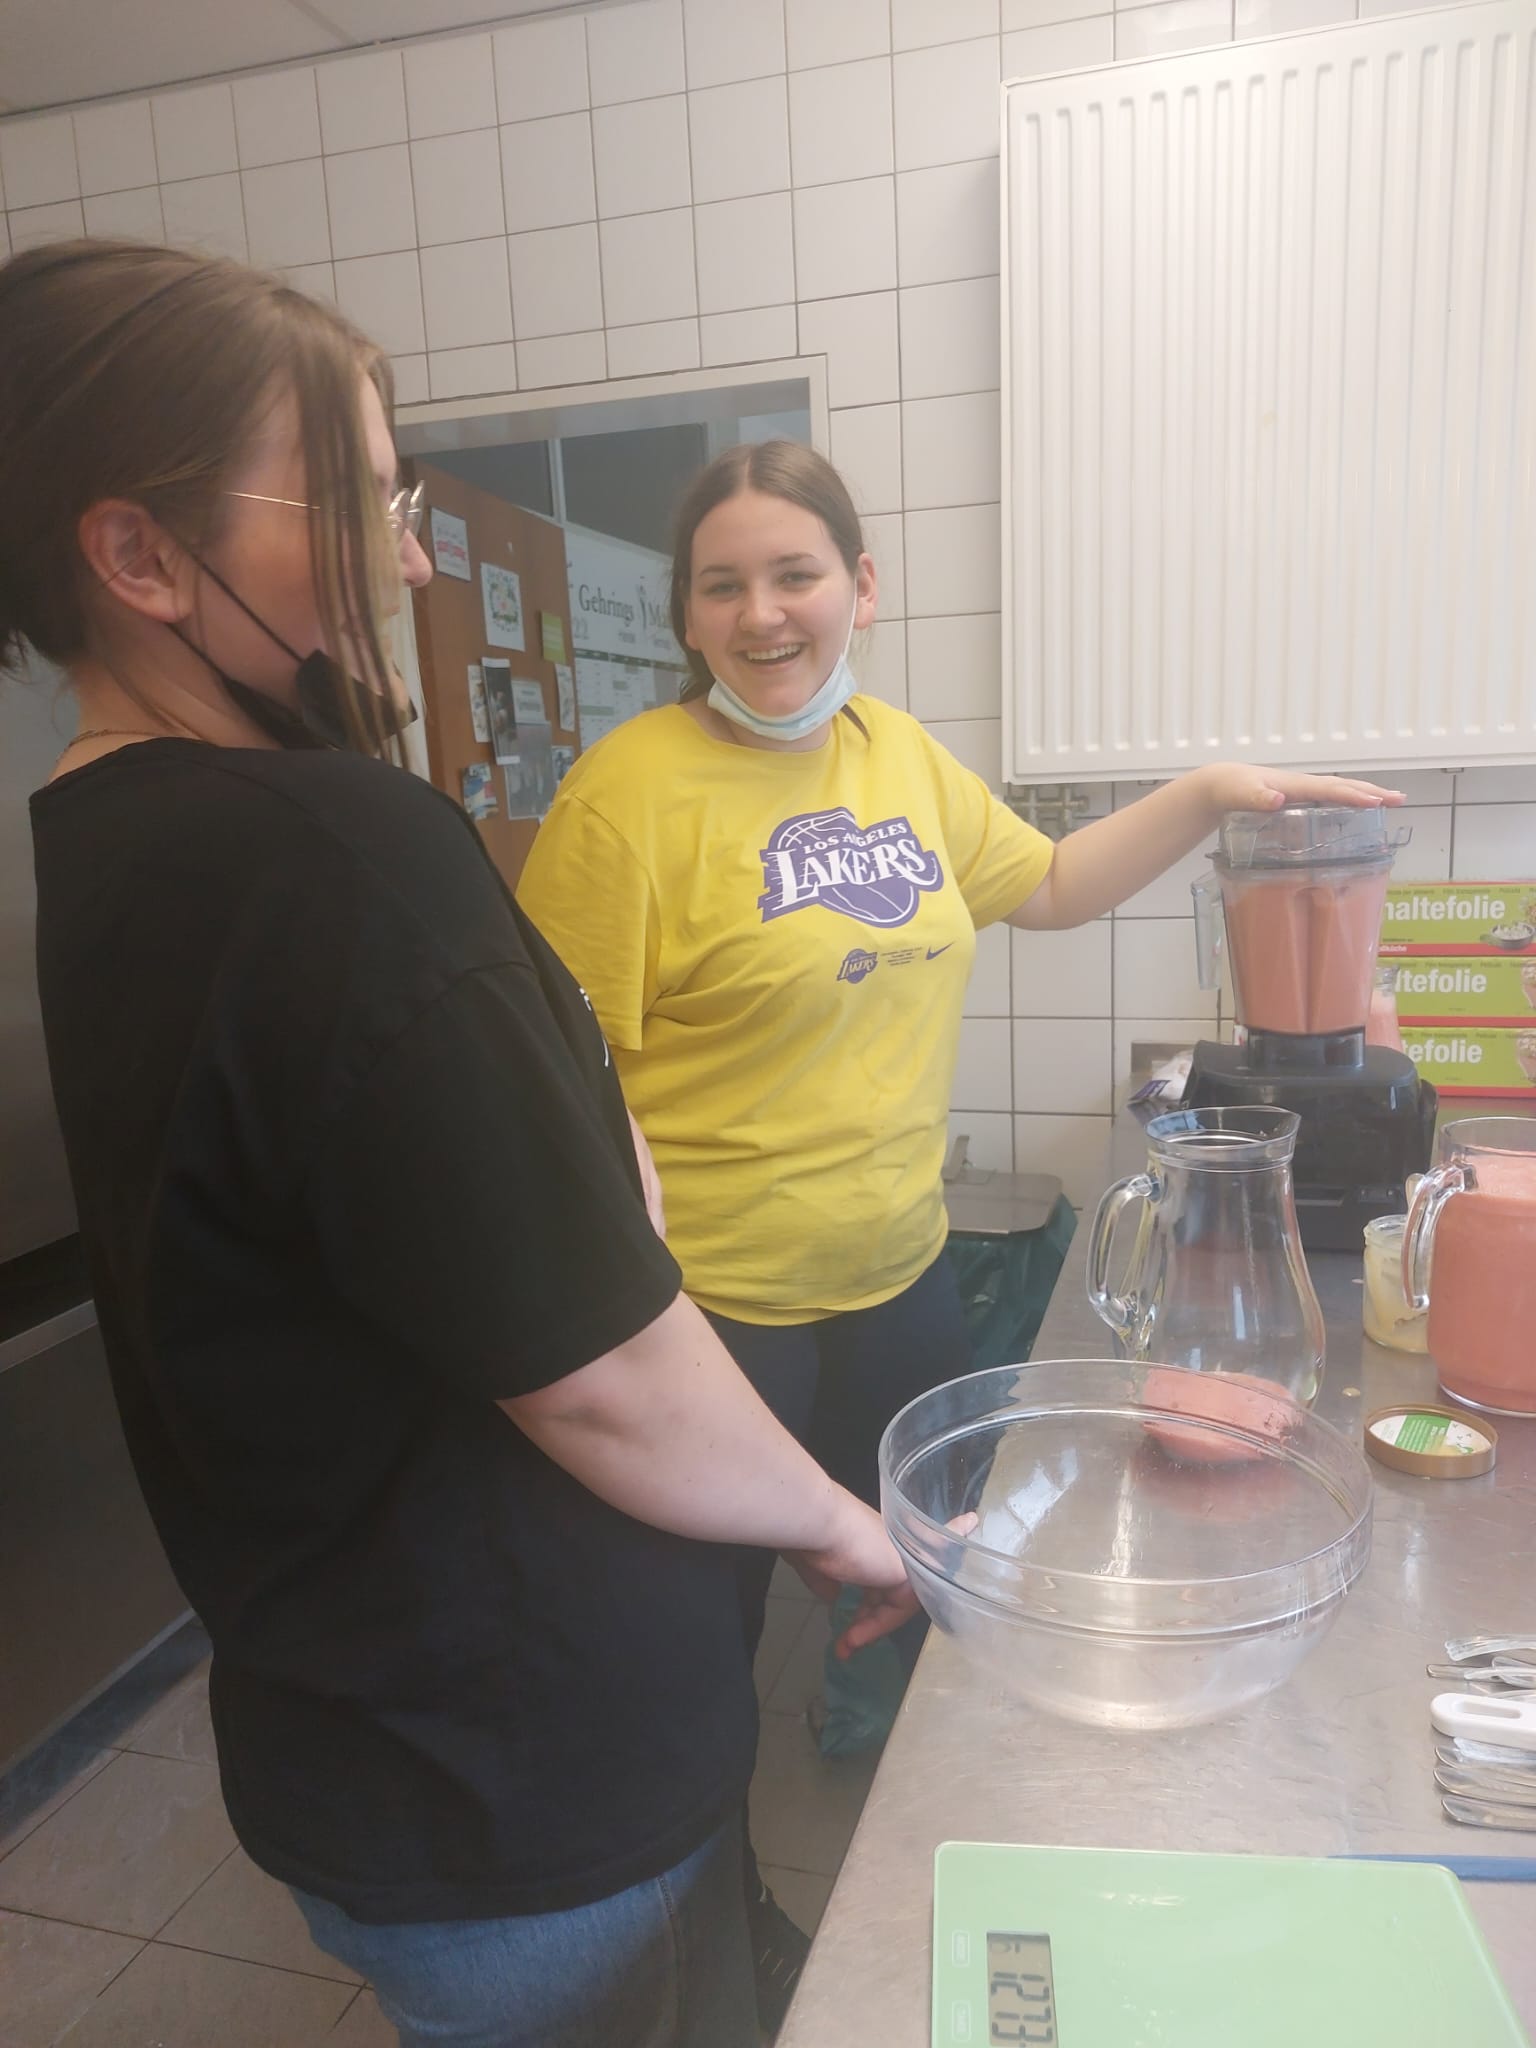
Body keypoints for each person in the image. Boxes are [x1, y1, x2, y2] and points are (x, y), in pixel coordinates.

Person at [3, 243, 924, 2048]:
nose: (412, 559)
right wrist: (839, 1525)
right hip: (533, 1794)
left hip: (364, 1754)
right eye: (360, 503)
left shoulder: (99, 835)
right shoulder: (332, 850)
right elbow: (600, 1365)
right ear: (140, 559)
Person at [517, 438, 1403, 2002]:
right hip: (714, 1313)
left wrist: (1211, 792)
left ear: (861, 584)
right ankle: (714, 1950)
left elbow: (1047, 883)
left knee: (946, 1593)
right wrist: (630, 1293)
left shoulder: (902, 759)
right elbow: (562, 1078)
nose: (762, 612)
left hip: (895, 1282)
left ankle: (949, 1891)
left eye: (796, 573)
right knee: (690, 1670)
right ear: (688, 614)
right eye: (722, 585)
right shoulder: (626, 796)